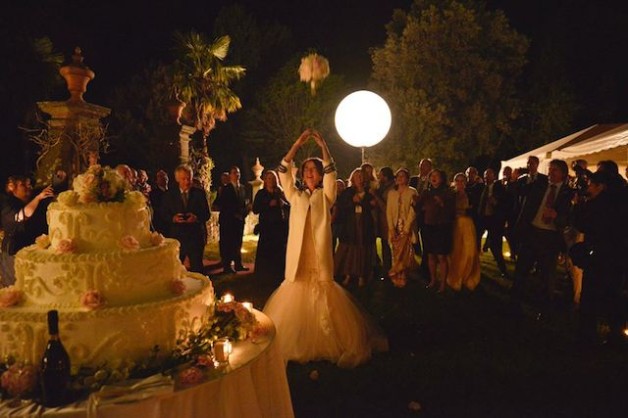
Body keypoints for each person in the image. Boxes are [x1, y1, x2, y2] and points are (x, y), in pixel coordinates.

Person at [263, 129, 387, 368]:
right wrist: (297, 144)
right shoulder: (294, 195)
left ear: (319, 175)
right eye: (306, 169)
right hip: (298, 257)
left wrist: (324, 148)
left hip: (318, 255)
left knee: (322, 292)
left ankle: (326, 338)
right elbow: (283, 170)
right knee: (296, 292)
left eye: (313, 169)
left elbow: (333, 171)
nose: (309, 172)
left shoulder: (325, 196)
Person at [511, 159, 573, 316]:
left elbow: (569, 218)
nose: (551, 173)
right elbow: (520, 192)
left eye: (555, 170)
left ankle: (544, 309)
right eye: (550, 169)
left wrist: (556, 216)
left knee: (546, 276)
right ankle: (514, 304)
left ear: (563, 174)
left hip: (550, 238)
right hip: (531, 232)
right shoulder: (539, 185)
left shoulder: (568, 193)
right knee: (521, 270)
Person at [572, 171, 627, 346]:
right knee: (612, 295)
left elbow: (582, 224)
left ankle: (587, 335)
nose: (588, 187)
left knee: (590, 296)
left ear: (600, 186)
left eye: (591, 184)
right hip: (615, 257)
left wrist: (578, 204)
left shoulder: (597, 205)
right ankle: (616, 331)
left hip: (598, 256)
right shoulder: (619, 203)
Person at [1, 176, 54, 287]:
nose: (28, 185)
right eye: (22, 184)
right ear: (12, 188)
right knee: (17, 287)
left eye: (28, 183)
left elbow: (53, 188)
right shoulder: (7, 207)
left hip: (35, 253)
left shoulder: (34, 195)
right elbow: (21, 216)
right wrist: (38, 198)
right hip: (14, 254)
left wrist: (59, 178)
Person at [160, 165, 211, 274]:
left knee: (197, 268)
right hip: (177, 237)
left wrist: (196, 218)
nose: (187, 181)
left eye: (189, 178)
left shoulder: (199, 193)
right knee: (176, 269)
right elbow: (163, 214)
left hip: (195, 237)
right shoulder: (169, 195)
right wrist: (173, 218)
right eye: (184, 179)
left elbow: (207, 214)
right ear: (177, 179)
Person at [334, 168, 377, 288]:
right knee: (350, 248)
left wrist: (365, 203)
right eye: (357, 176)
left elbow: (371, 207)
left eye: (361, 176)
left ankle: (362, 275)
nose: (359, 178)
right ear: (352, 178)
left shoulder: (369, 192)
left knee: (362, 248)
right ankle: (348, 274)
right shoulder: (348, 192)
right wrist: (352, 202)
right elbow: (342, 207)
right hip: (351, 224)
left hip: (364, 224)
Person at [416, 169, 456, 293]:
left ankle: (443, 283)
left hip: (442, 226)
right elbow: (419, 208)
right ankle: (433, 280)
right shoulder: (426, 192)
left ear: (442, 178)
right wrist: (416, 204)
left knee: (441, 256)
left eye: (436, 176)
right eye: (431, 176)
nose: (433, 178)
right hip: (428, 226)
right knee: (430, 255)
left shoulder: (448, 192)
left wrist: (442, 203)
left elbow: (452, 211)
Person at [213, 166, 251, 274]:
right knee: (227, 243)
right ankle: (227, 266)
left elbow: (244, 203)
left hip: (239, 221)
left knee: (238, 243)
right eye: (234, 172)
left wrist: (244, 213)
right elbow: (224, 205)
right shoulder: (226, 189)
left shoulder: (243, 188)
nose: (237, 174)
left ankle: (238, 264)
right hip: (228, 221)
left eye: (238, 172)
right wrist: (235, 214)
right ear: (230, 175)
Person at [252, 170, 289, 280]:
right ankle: (264, 274)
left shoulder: (280, 192)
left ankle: (278, 273)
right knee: (266, 250)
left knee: (279, 250)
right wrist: (268, 204)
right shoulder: (261, 193)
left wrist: (284, 204)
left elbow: (289, 206)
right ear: (265, 180)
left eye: (272, 178)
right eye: (268, 178)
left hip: (279, 226)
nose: (270, 181)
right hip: (266, 226)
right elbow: (255, 209)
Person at [446, 173, 481, 291]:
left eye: (462, 181)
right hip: (455, 225)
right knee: (457, 251)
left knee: (469, 251)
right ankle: (458, 276)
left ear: (465, 182)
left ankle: (468, 275)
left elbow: (475, 209)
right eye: (458, 181)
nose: (460, 183)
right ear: (455, 182)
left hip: (467, 225)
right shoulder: (451, 195)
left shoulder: (471, 195)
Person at [386, 168, 418, 288]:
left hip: (406, 225)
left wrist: (407, 226)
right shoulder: (391, 193)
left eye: (402, 176)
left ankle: (404, 274)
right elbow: (389, 211)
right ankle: (396, 275)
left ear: (407, 178)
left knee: (405, 250)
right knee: (396, 250)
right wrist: (391, 228)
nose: (400, 178)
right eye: (398, 176)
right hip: (395, 225)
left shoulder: (412, 192)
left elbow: (413, 210)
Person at [476, 168, 510, 278]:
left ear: (494, 176)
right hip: (482, 218)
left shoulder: (499, 187)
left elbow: (505, 203)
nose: (486, 177)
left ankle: (503, 269)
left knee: (495, 246)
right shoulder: (482, 188)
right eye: (485, 175)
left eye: (488, 175)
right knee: (476, 240)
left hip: (494, 220)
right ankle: (474, 265)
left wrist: (496, 203)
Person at [373, 167, 395, 277]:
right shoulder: (382, 186)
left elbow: (386, 207)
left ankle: (390, 268)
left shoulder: (391, 189)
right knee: (383, 243)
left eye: (381, 175)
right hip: (381, 219)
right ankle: (386, 267)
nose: (379, 177)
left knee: (387, 243)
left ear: (386, 177)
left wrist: (375, 196)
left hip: (387, 219)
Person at [149, 169, 169, 234]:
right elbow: (157, 208)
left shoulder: (172, 192)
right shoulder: (153, 193)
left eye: (165, 176)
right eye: (160, 177)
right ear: (157, 181)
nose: (164, 178)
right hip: (160, 223)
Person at [330, 178, 346, 254]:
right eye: (337, 186)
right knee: (332, 242)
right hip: (334, 223)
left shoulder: (345, 197)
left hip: (343, 222)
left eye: (341, 186)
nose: (339, 188)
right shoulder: (332, 197)